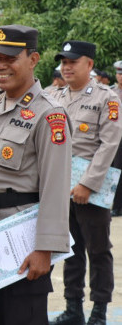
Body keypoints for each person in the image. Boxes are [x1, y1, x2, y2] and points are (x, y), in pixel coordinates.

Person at [0, 25, 72, 325]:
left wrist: (45, 248)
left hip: (23, 246)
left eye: (9, 58)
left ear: (33, 58)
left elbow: (56, 186)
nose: (0, 65)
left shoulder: (49, 114)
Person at [49, 41, 122, 325]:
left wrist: (88, 184)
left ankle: (99, 312)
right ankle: (73, 309)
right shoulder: (55, 96)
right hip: (60, 187)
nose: (66, 67)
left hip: (92, 189)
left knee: (99, 250)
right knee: (70, 249)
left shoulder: (107, 98)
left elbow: (109, 143)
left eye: (73, 62)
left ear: (89, 65)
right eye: (63, 62)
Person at [109, 61, 122, 217]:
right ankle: (117, 206)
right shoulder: (110, 93)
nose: (120, 77)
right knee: (116, 170)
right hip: (117, 138)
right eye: (119, 74)